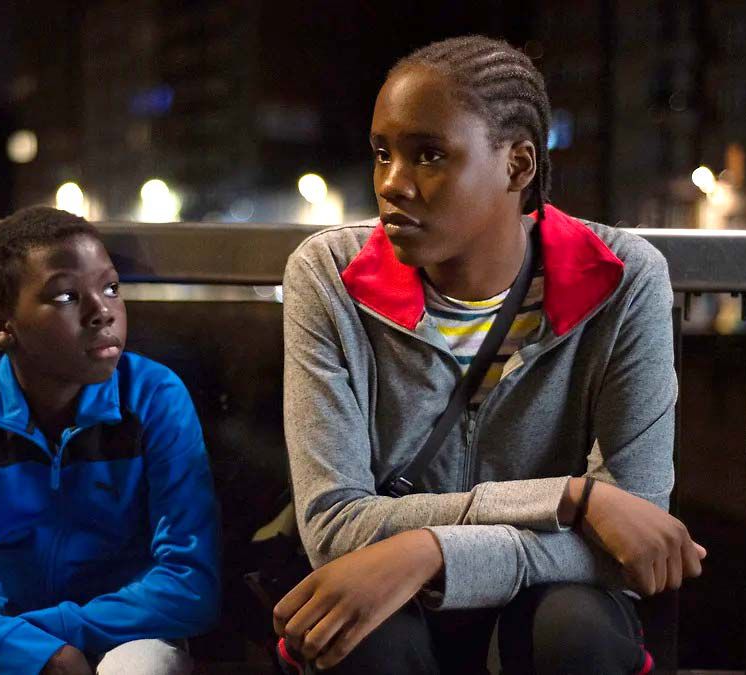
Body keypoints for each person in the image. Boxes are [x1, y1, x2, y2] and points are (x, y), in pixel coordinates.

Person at [273, 36, 706, 674]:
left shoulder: (621, 278)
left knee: (574, 629)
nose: (394, 183)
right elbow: (334, 527)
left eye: (429, 156)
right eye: (382, 153)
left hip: (545, 603)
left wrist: (429, 550)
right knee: (362, 637)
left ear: (518, 164)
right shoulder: (329, 276)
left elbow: (636, 542)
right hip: (395, 604)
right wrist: (572, 498)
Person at [0, 207, 220, 675]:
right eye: (67, 296)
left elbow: (191, 580)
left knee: (140, 667)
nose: (103, 311)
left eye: (111, 287)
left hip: (121, 630)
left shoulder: (154, 395)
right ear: (0, 324)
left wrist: (54, 636)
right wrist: (27, 649)